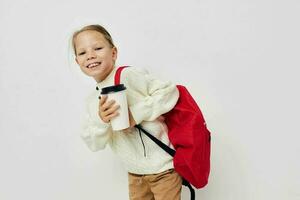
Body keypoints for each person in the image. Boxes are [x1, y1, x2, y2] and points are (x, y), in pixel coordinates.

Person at [71, 24, 182, 200]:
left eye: (98, 48)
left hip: (163, 168)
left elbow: (169, 92)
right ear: (77, 61)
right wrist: (102, 121)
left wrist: (135, 114)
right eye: (82, 53)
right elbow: (94, 143)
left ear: (113, 53)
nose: (90, 55)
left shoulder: (128, 75)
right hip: (135, 174)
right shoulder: (93, 100)